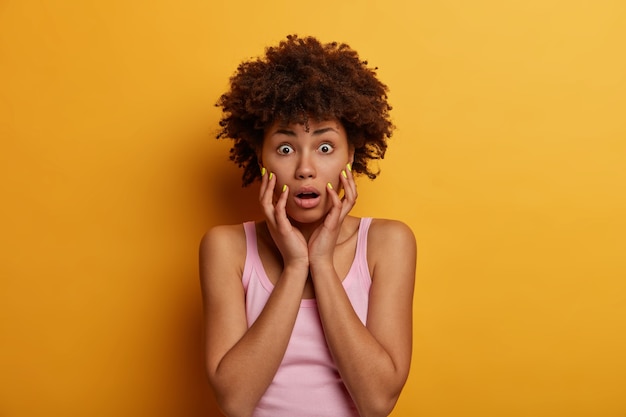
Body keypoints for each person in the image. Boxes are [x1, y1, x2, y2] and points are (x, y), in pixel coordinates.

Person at [199, 34, 417, 417]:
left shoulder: (387, 243)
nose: (304, 168)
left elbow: (377, 402)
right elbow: (235, 402)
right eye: (285, 148)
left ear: (352, 152)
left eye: (325, 147)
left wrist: (322, 263)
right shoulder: (227, 248)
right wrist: (296, 265)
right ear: (259, 154)